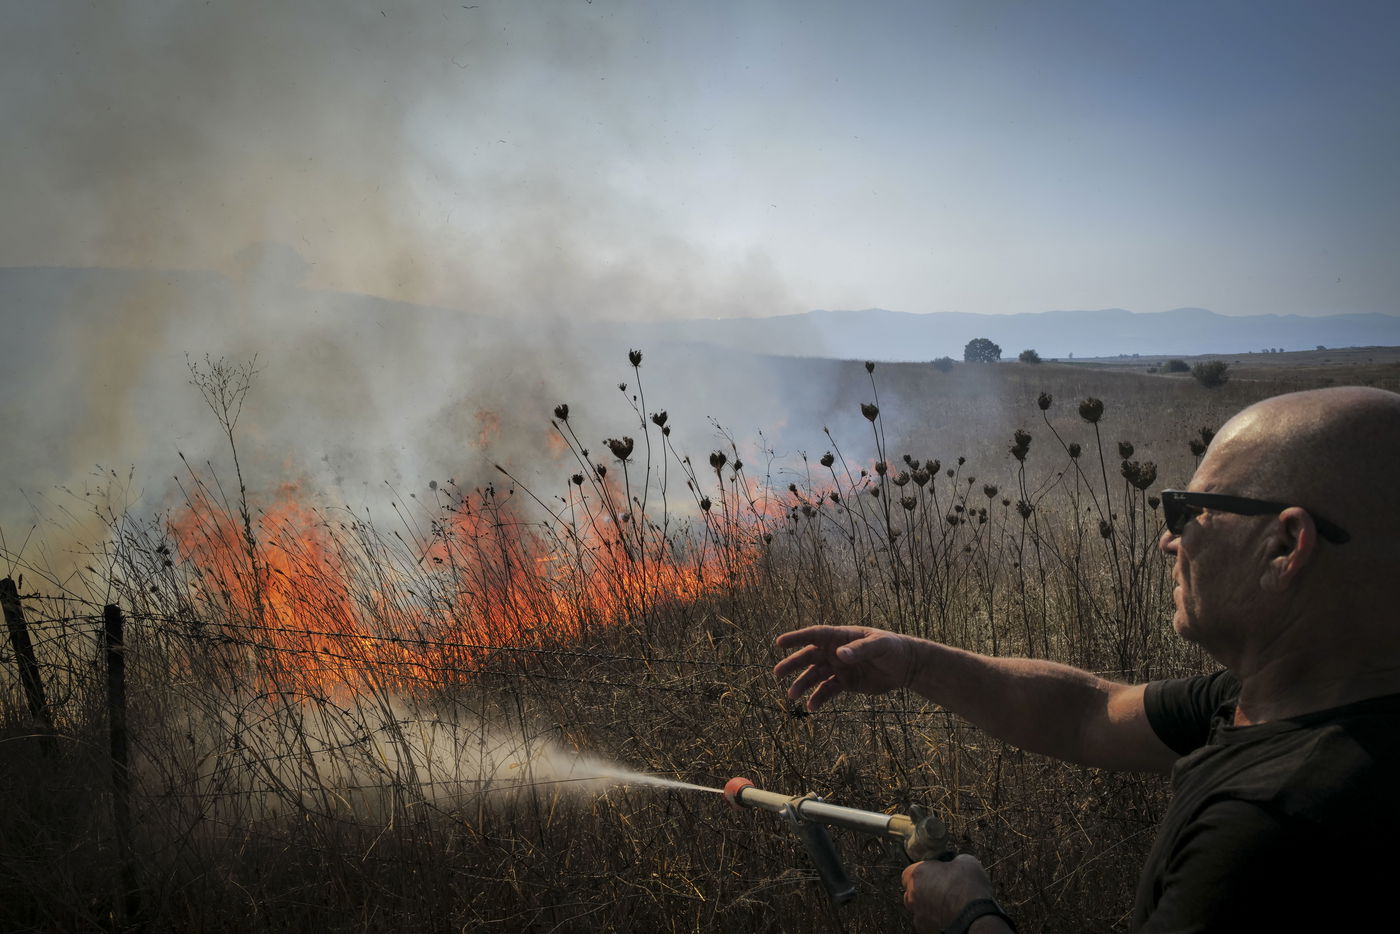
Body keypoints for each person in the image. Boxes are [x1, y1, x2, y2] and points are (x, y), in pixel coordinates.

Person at [773, 386, 1400, 932]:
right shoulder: (1277, 701)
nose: (1167, 538)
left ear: (1285, 546)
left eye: (1190, 510)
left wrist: (970, 915)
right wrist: (914, 663)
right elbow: (1090, 713)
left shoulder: (1269, 828)